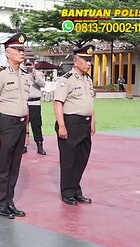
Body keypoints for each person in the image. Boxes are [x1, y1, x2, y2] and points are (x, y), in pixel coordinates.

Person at [0, 33, 30, 219]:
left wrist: (27, 130)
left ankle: (9, 202)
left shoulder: (24, 75)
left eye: (23, 49)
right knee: (4, 166)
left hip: (21, 124)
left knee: (15, 166)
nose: (22, 53)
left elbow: (26, 105)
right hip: (5, 123)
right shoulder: (0, 75)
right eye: (18, 50)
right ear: (7, 52)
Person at [53, 45, 95, 206]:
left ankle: (76, 190)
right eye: (86, 60)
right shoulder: (67, 79)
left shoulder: (88, 79)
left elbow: (90, 102)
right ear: (76, 62)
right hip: (71, 123)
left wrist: (92, 120)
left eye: (90, 61)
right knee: (69, 160)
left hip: (84, 124)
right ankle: (67, 192)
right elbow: (58, 103)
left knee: (81, 159)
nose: (89, 63)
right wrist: (62, 126)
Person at [24, 59, 47, 155]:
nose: (29, 66)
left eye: (30, 64)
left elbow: (43, 84)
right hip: (24, 102)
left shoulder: (38, 74)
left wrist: (34, 78)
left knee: (36, 125)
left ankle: (39, 145)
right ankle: (23, 145)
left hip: (35, 103)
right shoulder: (22, 74)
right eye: (27, 64)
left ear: (34, 65)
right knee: (23, 126)